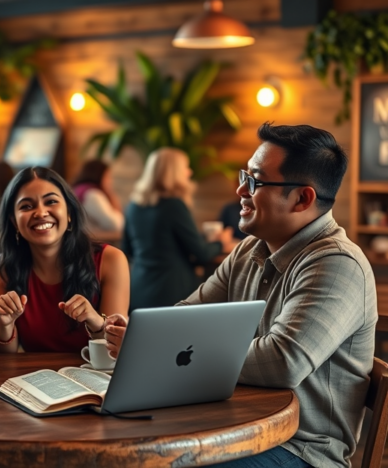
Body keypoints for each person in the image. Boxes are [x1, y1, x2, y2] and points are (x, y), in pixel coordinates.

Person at [106, 123, 376, 468]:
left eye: (255, 181)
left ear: (302, 198)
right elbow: (187, 313)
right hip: (232, 424)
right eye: (243, 176)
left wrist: (160, 348)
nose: (239, 189)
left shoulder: (337, 264)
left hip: (300, 449)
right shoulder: (249, 249)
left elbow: (283, 361)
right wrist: (146, 336)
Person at [0, 166, 129, 353]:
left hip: (94, 376)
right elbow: (2, 355)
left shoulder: (110, 260)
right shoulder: (2, 267)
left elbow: (116, 350)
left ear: (69, 212)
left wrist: (95, 321)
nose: (40, 213)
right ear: (14, 221)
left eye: (51, 202)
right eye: (27, 206)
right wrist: (4, 326)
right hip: (33, 378)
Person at [121, 147, 235, 310]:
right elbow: (201, 254)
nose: (189, 172)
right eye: (185, 168)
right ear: (173, 173)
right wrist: (221, 243)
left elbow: (128, 250)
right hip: (171, 293)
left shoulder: (133, 205)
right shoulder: (174, 205)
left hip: (138, 290)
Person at [71, 159, 124, 233]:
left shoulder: (77, 190)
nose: (110, 181)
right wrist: (112, 196)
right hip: (97, 240)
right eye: (108, 176)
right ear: (98, 175)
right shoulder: (93, 195)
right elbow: (114, 225)